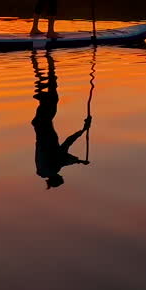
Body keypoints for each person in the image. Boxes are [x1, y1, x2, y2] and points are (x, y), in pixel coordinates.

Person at [31, 51, 90, 189]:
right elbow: (65, 159)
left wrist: (83, 130)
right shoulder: (43, 169)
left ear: (57, 176)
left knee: (52, 96)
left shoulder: (54, 164)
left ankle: (50, 64)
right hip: (39, 124)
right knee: (46, 99)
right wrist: (78, 161)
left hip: (44, 123)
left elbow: (68, 143)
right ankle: (39, 73)